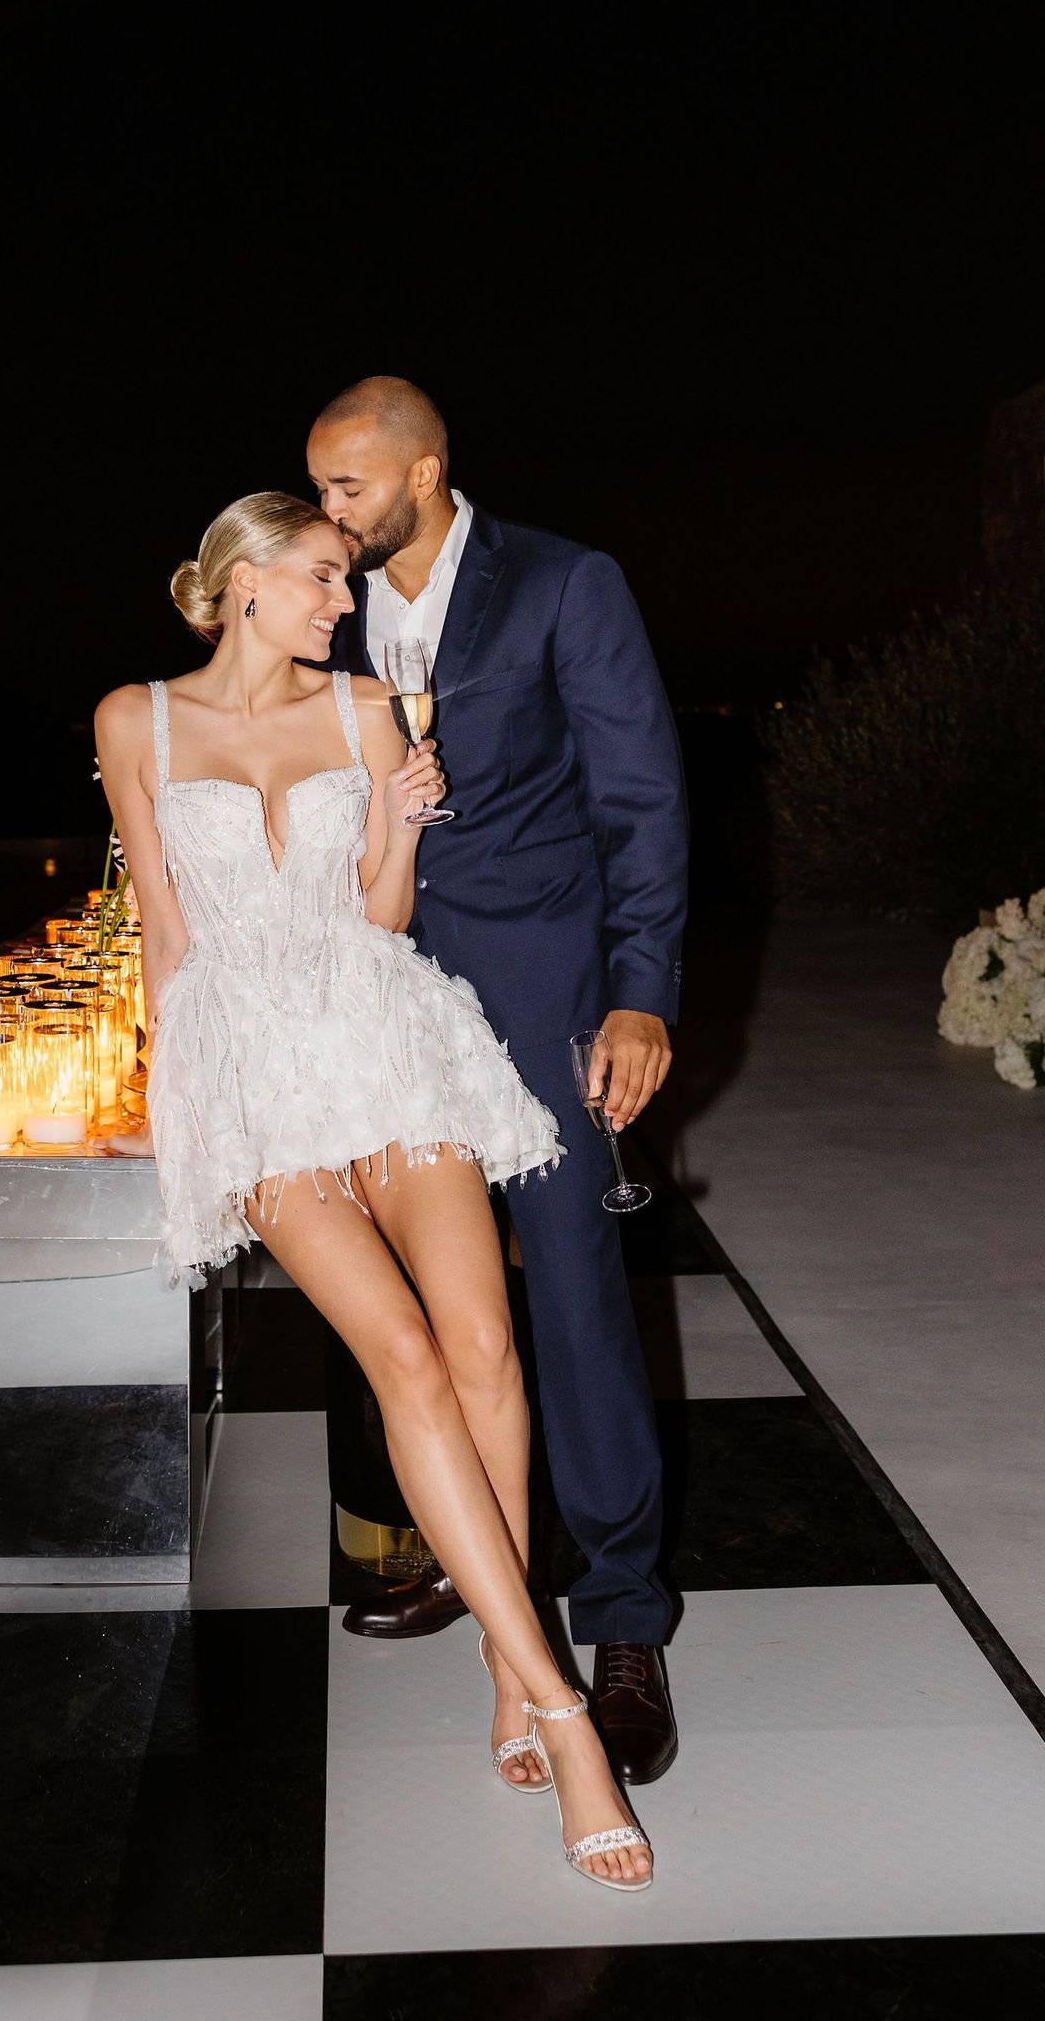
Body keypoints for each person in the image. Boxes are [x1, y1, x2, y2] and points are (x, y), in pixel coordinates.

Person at [95, 490, 655, 1889]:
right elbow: (165, 935)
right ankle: (569, 1712)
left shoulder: (364, 711)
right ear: (245, 586)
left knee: (482, 1351)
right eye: (324, 579)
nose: (348, 603)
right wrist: (178, 1111)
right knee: (402, 1355)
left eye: (345, 581)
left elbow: (384, 915)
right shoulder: (135, 723)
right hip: (261, 1075)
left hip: (389, 1036)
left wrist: (405, 820)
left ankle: (504, 1664)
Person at [308, 379, 687, 1789]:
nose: (329, 514)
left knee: (575, 1297)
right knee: (420, 1306)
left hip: (543, 997)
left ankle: (627, 1621)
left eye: (350, 486)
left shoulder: (565, 585)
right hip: (384, 994)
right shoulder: (322, 600)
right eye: (318, 489)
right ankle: (481, 1568)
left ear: (427, 468)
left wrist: (638, 994)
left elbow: (642, 799)